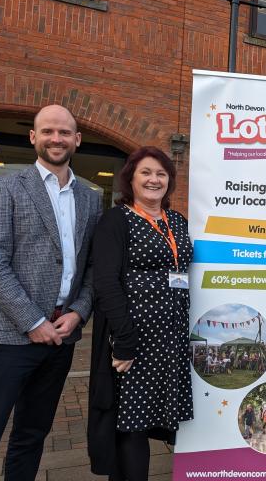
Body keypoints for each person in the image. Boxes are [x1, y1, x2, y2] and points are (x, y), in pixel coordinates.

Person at [0, 105, 102, 481]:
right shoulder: (6, 188)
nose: (56, 138)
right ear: (33, 137)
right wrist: (32, 321)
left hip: (60, 338)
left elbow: (93, 267)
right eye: (47, 131)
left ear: (76, 140)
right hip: (8, 338)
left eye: (64, 132)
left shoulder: (91, 197)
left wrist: (79, 311)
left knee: (32, 435)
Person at [87, 146, 194, 480]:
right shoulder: (117, 219)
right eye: (146, 172)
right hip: (134, 340)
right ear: (130, 179)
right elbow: (105, 282)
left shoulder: (176, 221)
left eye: (161, 174)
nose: (154, 179)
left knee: (152, 420)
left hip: (171, 341)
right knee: (131, 427)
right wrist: (124, 341)